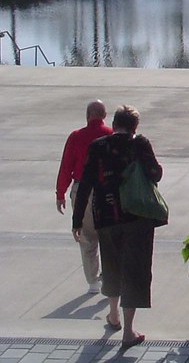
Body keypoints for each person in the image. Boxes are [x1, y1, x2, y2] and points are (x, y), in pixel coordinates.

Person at [72, 105, 163, 352]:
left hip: (105, 216)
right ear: (135, 126)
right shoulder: (140, 144)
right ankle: (129, 331)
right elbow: (156, 174)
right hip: (137, 217)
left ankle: (113, 315)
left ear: (115, 123)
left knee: (111, 263)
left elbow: (85, 183)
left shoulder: (98, 146)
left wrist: (77, 220)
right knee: (135, 268)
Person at [56, 99, 112, 293]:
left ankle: (92, 281)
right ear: (104, 116)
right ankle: (109, 277)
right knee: (108, 235)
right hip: (107, 191)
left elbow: (66, 166)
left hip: (82, 190)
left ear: (87, 116)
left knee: (87, 237)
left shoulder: (76, 136)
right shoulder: (111, 136)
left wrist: (60, 193)